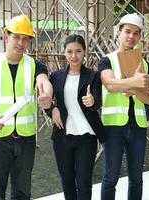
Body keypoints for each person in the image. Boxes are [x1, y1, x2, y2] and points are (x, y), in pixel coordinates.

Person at [0, 15, 53, 200]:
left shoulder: (35, 65)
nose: (21, 42)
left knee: (22, 194)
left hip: (25, 141)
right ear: (6, 36)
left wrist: (46, 95)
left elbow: (43, 80)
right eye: (16, 37)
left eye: (26, 38)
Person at [98, 13, 149, 200]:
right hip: (113, 127)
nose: (131, 36)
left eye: (136, 33)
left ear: (139, 37)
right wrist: (135, 82)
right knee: (110, 177)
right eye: (128, 31)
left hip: (138, 126)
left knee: (136, 178)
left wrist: (134, 89)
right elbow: (111, 84)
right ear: (119, 33)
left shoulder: (146, 65)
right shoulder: (107, 60)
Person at [45, 34, 106, 200]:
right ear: (64, 53)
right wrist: (52, 110)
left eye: (78, 51)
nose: (74, 56)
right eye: (70, 51)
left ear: (84, 52)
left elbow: (98, 100)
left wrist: (92, 101)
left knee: (84, 181)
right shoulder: (56, 77)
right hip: (62, 135)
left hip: (87, 136)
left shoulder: (93, 76)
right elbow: (45, 101)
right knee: (67, 180)